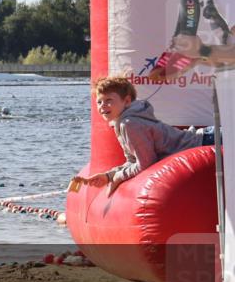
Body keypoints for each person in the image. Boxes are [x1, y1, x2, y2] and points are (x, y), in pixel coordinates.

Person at [82, 76, 214, 195]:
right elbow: (133, 160)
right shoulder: (122, 121)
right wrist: (109, 176)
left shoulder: (129, 124)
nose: (103, 106)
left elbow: (146, 163)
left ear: (127, 101)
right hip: (206, 137)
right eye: (99, 102)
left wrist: (118, 177)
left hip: (207, 141)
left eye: (108, 100)